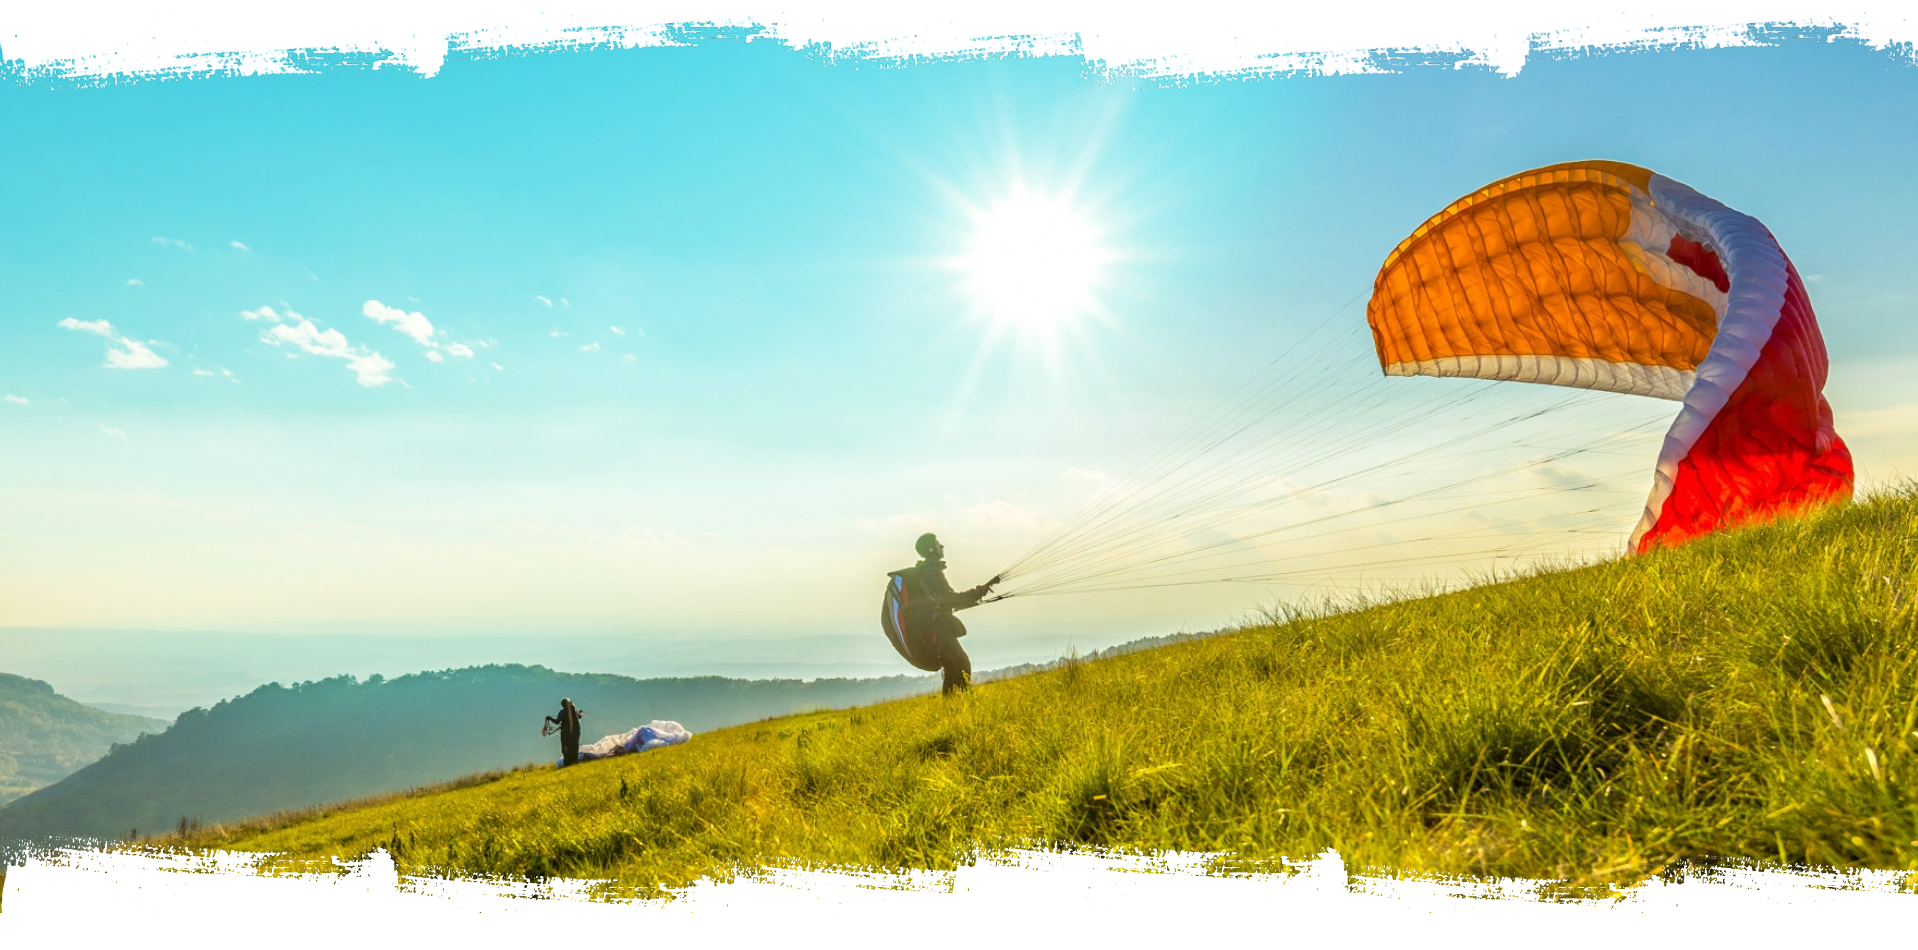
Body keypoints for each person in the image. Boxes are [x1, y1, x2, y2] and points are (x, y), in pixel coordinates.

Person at [902, 533, 999, 696]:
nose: (942, 547)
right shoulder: (931, 571)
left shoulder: (928, 570)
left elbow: (946, 600)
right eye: (938, 544)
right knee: (961, 663)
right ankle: (961, 702)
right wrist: (974, 594)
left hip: (934, 627)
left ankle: (950, 704)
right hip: (938, 628)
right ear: (931, 549)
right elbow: (947, 599)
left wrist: (975, 594)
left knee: (952, 665)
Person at [544, 697, 584, 767]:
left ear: (562, 705)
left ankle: (567, 762)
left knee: (566, 747)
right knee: (574, 746)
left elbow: (557, 722)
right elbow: (579, 716)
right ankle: (574, 761)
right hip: (575, 732)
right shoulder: (574, 710)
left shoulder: (562, 712)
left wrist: (550, 718)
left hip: (566, 734)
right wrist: (580, 712)